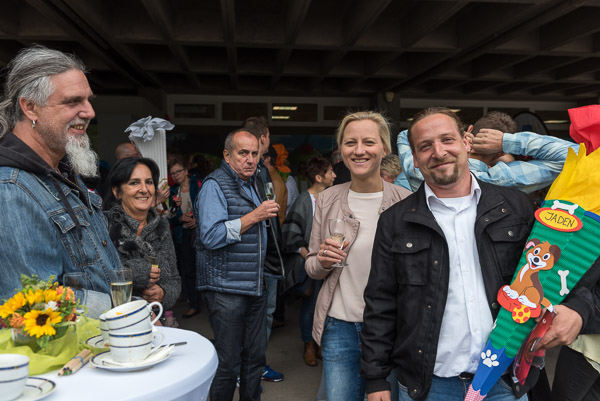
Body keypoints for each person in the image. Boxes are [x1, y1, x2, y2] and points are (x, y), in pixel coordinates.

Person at [361, 107, 591, 401]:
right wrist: (376, 379)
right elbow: (381, 303)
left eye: (447, 140)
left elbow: (561, 268)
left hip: (503, 382)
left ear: (466, 142)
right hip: (428, 386)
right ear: (414, 160)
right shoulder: (395, 221)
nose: (439, 152)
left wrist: (578, 309)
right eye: (425, 146)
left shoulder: (516, 207)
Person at [0, 45, 122, 318]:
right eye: (73, 101)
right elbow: (33, 303)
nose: (89, 112)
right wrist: (121, 310)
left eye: (88, 100)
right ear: (30, 107)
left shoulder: (62, 173)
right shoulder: (11, 190)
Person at [305, 111, 411, 401]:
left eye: (369, 142)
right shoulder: (327, 199)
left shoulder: (404, 201)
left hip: (390, 328)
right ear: (341, 150)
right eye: (350, 142)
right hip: (339, 325)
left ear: (384, 149)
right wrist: (322, 261)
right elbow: (311, 266)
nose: (359, 150)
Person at [195, 128, 282, 401]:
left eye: (255, 153)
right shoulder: (214, 185)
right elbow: (211, 236)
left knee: (255, 359)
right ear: (227, 155)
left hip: (255, 283)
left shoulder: (256, 182)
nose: (250, 159)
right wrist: (255, 216)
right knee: (228, 362)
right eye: (243, 153)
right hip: (226, 286)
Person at [395, 110, 579, 193]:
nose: (439, 151)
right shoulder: (502, 180)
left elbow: (405, 135)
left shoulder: (419, 169)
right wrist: (506, 142)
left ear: (468, 133)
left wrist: (457, 136)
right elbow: (574, 155)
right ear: (500, 153)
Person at [103, 157, 181, 315]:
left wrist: (163, 293)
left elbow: (175, 279)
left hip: (156, 320)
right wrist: (134, 273)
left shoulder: (162, 228)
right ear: (117, 191)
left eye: (149, 182)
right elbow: (96, 278)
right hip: (116, 320)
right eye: (134, 183)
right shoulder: (104, 226)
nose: (144, 189)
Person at [242, 116, 286, 383]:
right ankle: (251, 367)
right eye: (269, 136)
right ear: (263, 137)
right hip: (260, 255)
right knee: (259, 315)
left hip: (266, 252)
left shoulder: (261, 170)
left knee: (261, 314)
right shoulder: (251, 171)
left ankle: (253, 365)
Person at [282, 156, 336, 367]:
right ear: (318, 177)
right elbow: (290, 232)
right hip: (313, 261)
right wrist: (310, 258)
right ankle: (309, 345)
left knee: (329, 305)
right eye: (330, 172)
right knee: (311, 304)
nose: (334, 175)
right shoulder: (304, 200)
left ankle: (321, 343)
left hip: (331, 261)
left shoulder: (333, 197)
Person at [167, 156, 201, 319]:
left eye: (178, 171)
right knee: (188, 271)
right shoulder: (173, 192)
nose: (176, 175)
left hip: (201, 233)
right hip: (184, 235)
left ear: (186, 171)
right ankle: (194, 304)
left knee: (203, 267)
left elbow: (209, 207)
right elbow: (170, 217)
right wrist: (180, 217)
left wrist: (198, 220)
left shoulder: (199, 185)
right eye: (173, 173)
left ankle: (207, 301)